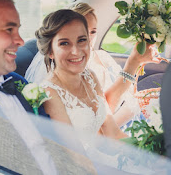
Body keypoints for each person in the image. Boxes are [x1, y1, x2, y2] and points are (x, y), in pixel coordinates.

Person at [25, 3, 161, 127]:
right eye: (66, 42)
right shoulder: (59, 77)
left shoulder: (100, 59)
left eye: (93, 32)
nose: (88, 39)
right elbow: (100, 123)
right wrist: (132, 65)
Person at [36, 9, 128, 141]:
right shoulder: (49, 92)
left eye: (81, 40)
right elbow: (75, 155)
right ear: (50, 52)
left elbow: (113, 133)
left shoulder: (90, 76)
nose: (76, 51)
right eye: (64, 43)